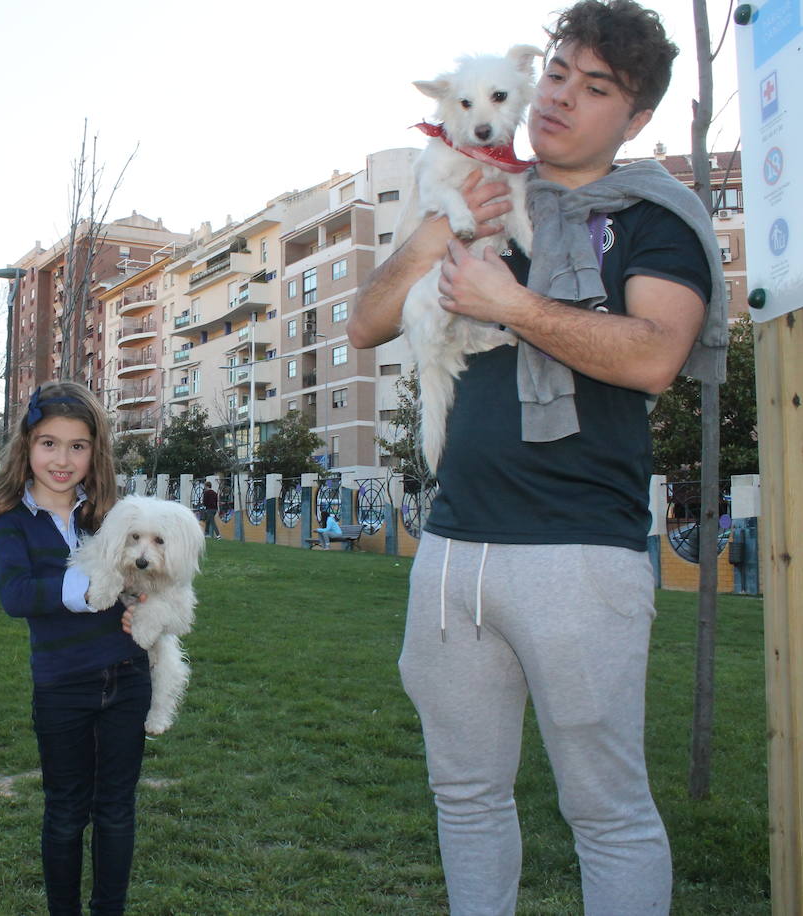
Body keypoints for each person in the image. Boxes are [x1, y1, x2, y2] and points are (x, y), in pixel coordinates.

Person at [346, 2, 725, 912]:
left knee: (606, 812)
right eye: (558, 72)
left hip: (576, 555)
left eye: (596, 89)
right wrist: (445, 229)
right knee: (466, 798)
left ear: (633, 121)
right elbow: (364, 324)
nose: (561, 97)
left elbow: (654, 356)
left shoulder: (651, 215)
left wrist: (508, 303)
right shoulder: (478, 189)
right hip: (453, 549)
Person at [0, 381, 150, 916]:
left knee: (117, 810)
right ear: (27, 446)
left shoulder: (111, 515)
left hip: (127, 677)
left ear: (94, 451)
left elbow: (147, 573)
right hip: (61, 686)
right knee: (64, 812)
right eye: (49, 443)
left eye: (77, 446)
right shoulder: (8, 518)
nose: (62, 459)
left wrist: (142, 600)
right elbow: (16, 596)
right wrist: (88, 590)